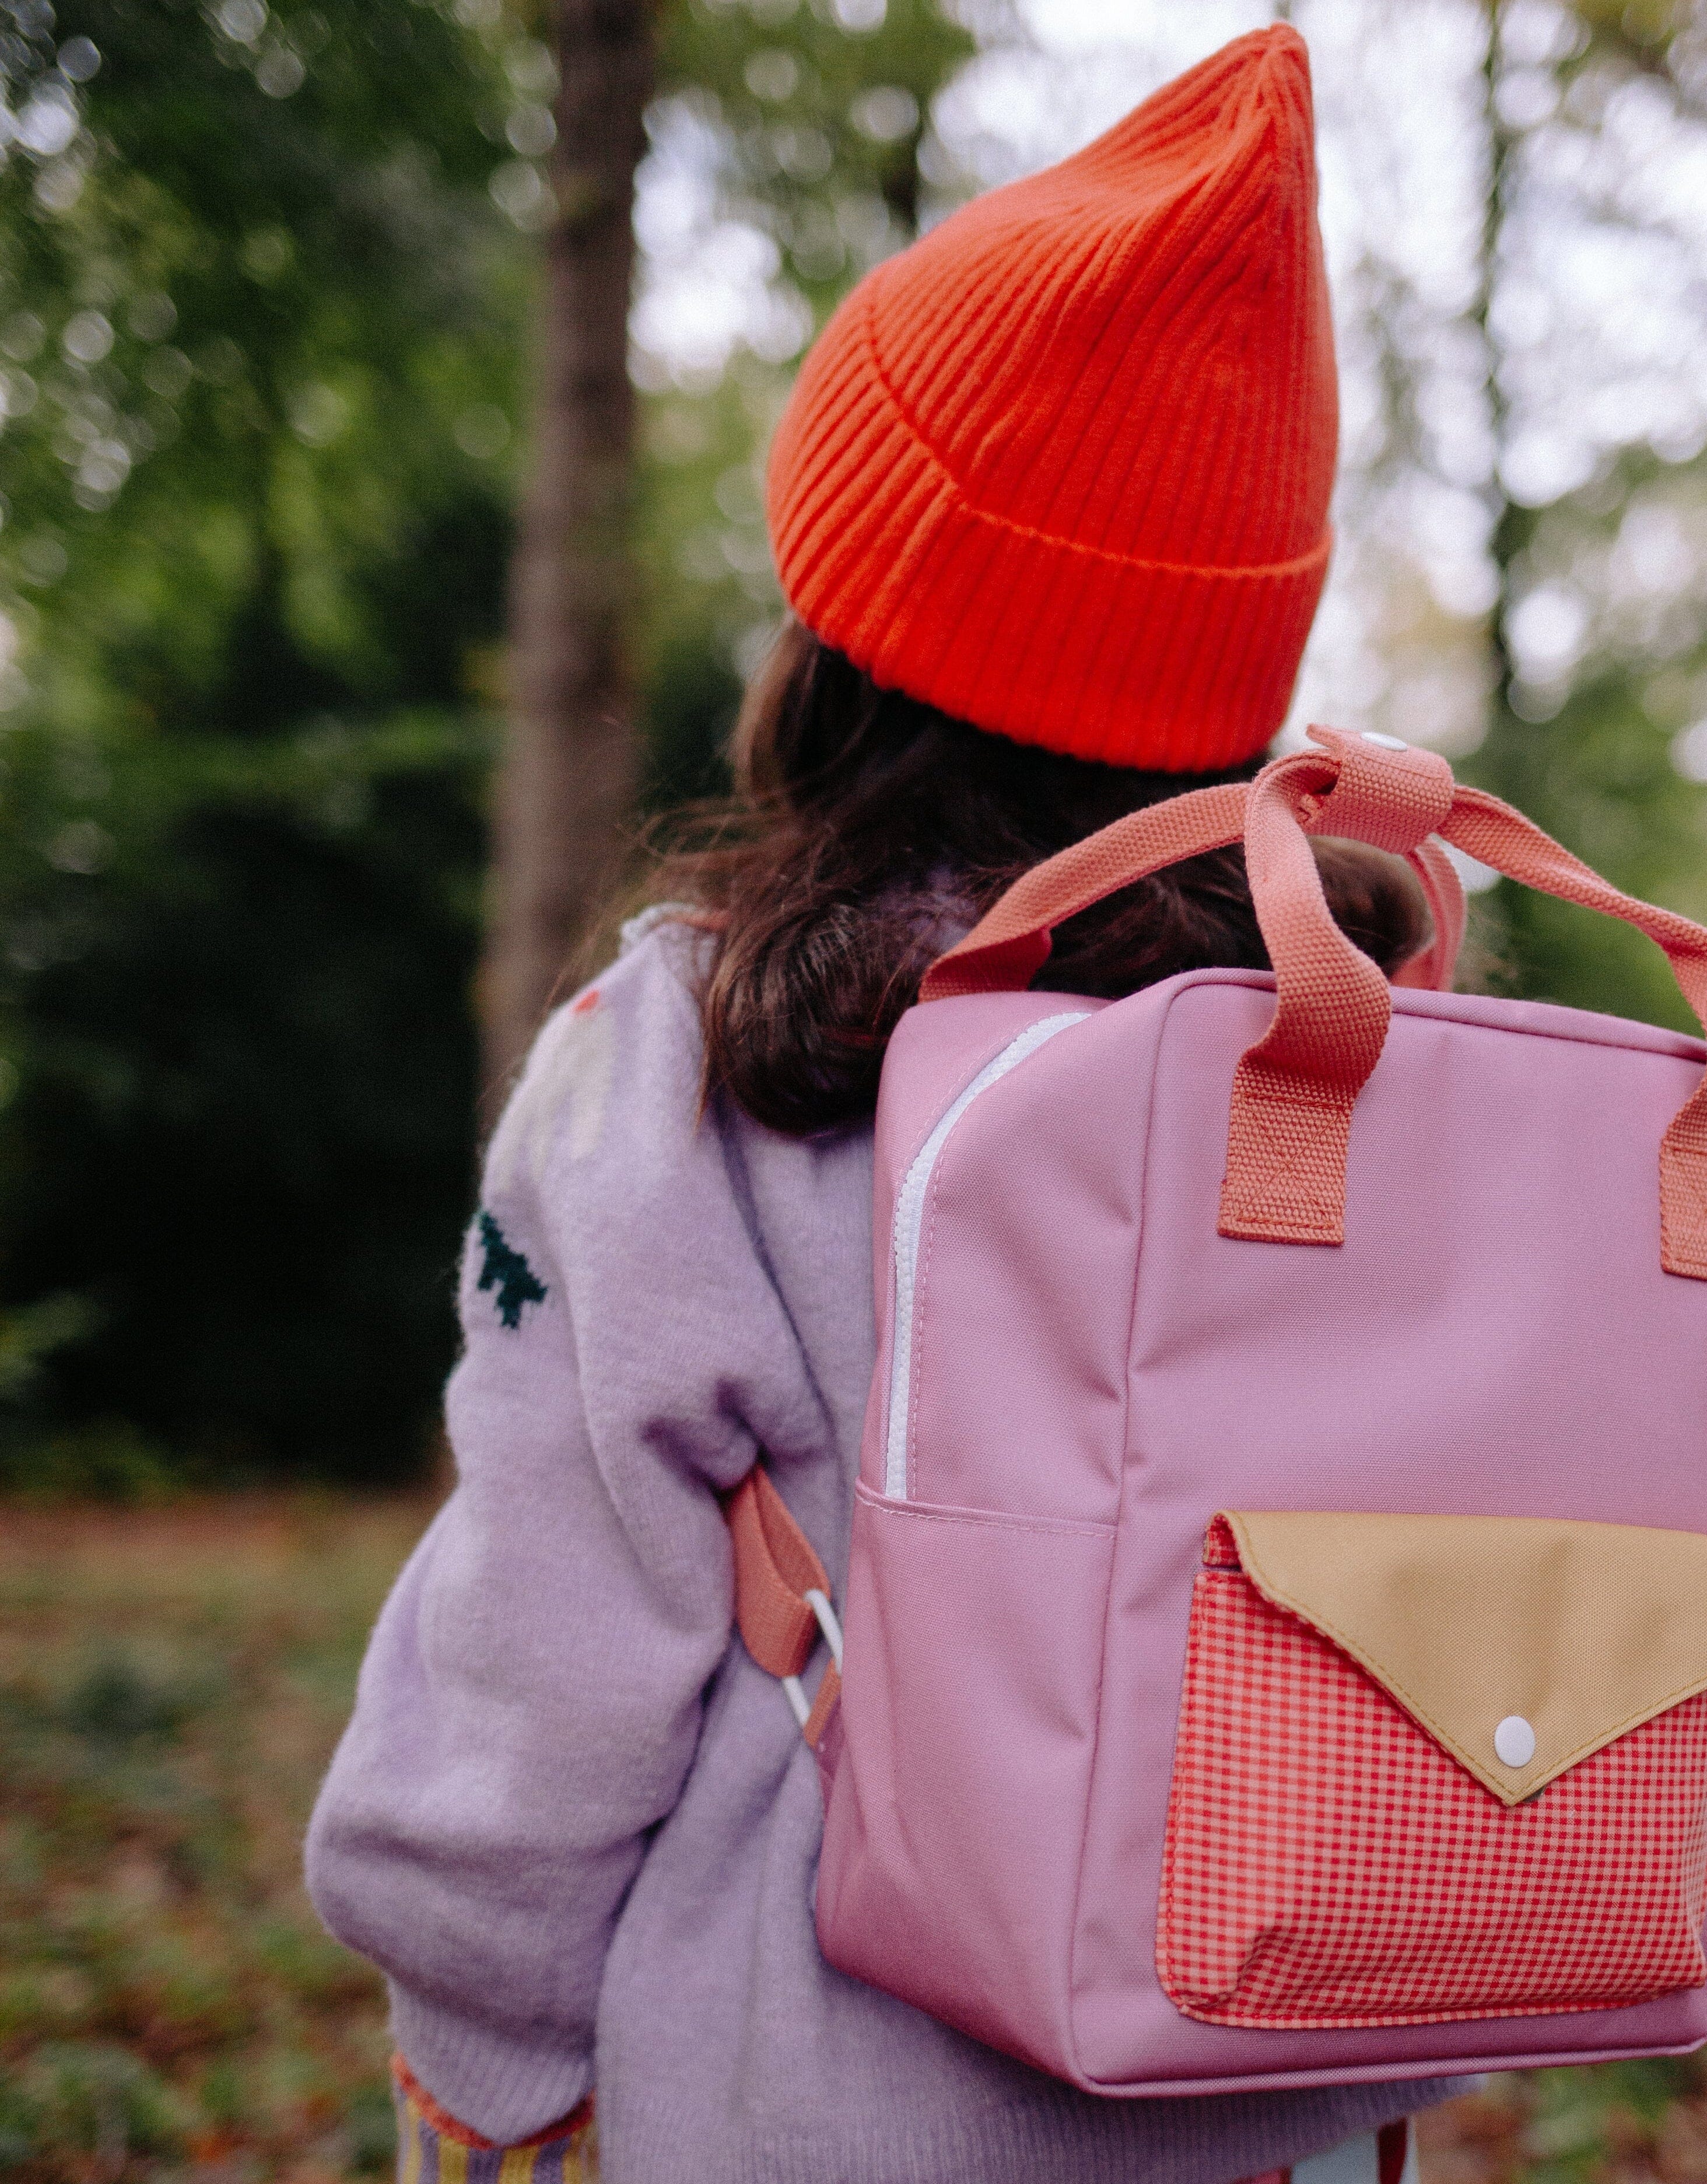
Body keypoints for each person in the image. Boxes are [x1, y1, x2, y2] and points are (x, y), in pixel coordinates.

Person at [306, 27, 1457, 2183]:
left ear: (843, 620)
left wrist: (474, 2029)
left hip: (794, 2097)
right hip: (1271, 2094)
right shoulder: (1358, 1064)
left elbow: (549, 1646)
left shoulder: (678, 1063)